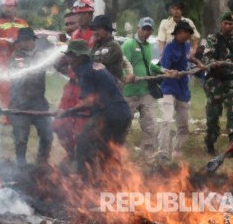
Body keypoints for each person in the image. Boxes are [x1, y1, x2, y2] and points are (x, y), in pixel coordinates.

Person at [57, 40, 132, 180]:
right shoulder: (96, 66)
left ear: (79, 57)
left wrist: (66, 112)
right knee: (109, 150)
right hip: (124, 113)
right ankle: (113, 181)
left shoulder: (85, 71)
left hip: (110, 114)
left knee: (83, 140)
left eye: (71, 56)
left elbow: (89, 102)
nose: (69, 60)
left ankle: (83, 179)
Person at [157, 21, 203, 162]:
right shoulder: (169, 48)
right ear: (176, 33)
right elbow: (163, 67)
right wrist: (170, 72)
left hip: (183, 89)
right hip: (169, 88)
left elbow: (189, 60)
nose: (186, 35)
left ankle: (177, 150)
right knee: (166, 119)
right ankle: (163, 152)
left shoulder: (187, 47)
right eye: (183, 32)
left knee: (183, 124)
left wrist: (198, 64)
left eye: (188, 33)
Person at [121, 17, 165, 160]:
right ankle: (117, 153)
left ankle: (149, 156)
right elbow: (120, 64)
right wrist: (126, 77)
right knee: (123, 125)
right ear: (138, 28)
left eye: (149, 30)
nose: (146, 32)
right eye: (144, 29)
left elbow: (149, 65)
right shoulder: (129, 44)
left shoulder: (148, 46)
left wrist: (163, 71)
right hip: (130, 93)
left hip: (146, 92)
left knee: (151, 125)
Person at [202, 11, 233, 156]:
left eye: (231, 24)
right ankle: (210, 141)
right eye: (225, 23)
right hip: (215, 82)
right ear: (221, 24)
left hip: (231, 81)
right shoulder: (213, 39)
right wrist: (213, 63)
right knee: (213, 114)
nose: (228, 26)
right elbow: (206, 57)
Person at [8, 28, 53, 167]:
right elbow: (21, 73)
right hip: (20, 103)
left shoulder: (41, 55)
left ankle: (42, 163)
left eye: (29, 40)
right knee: (21, 139)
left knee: (47, 135)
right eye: (23, 41)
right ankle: (20, 166)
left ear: (34, 41)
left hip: (39, 102)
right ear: (19, 43)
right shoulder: (15, 57)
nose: (27, 43)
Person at [53, 12, 86, 163]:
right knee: (59, 124)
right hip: (70, 89)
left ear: (80, 22)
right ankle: (71, 153)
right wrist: (70, 72)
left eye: (72, 23)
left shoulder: (88, 39)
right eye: (66, 24)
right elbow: (58, 65)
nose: (69, 27)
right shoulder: (68, 42)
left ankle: (81, 160)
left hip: (84, 91)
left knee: (81, 129)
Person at [0, 0, 28, 124]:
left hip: (19, 58)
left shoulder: (22, 23)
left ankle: (22, 114)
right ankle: (8, 116)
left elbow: (28, 37)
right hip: (3, 60)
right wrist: (5, 43)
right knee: (5, 87)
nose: (8, 9)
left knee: (22, 86)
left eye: (11, 6)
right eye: (5, 7)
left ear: (15, 8)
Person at [90, 15, 124, 82]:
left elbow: (97, 64)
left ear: (108, 30)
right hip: (99, 88)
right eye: (94, 29)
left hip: (111, 88)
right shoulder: (96, 46)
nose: (95, 32)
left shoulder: (113, 45)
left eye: (98, 29)